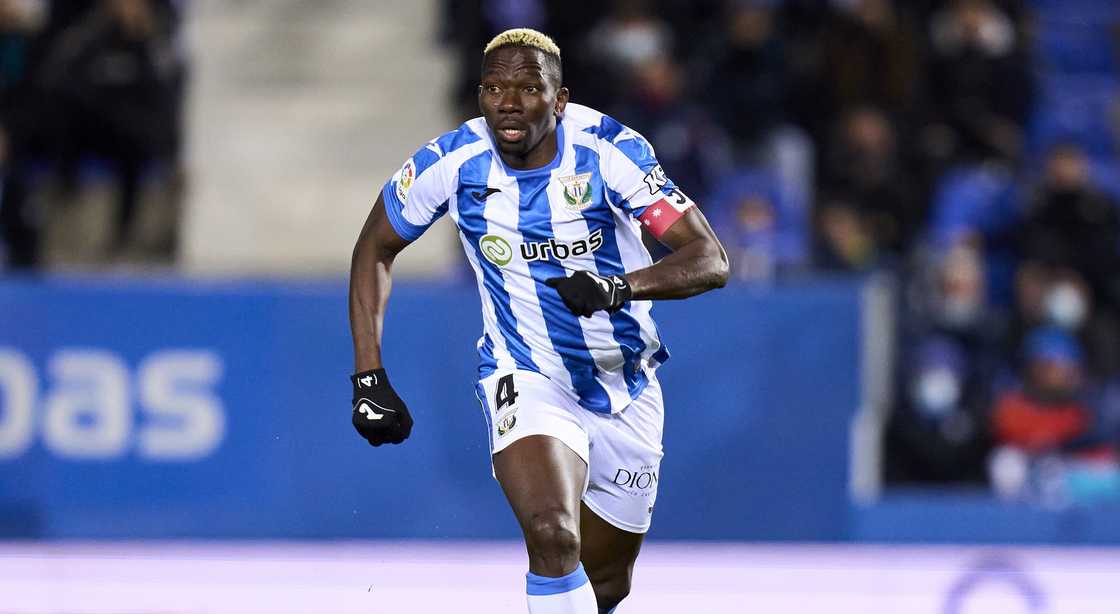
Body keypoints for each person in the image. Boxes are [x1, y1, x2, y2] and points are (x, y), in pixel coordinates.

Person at [347, 28, 728, 613]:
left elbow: (709, 259)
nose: (509, 102)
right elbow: (375, 247)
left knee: (605, 586)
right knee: (553, 536)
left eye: (528, 87)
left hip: (624, 381)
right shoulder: (451, 162)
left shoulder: (610, 152)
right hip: (525, 372)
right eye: (494, 87)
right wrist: (368, 375)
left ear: (561, 98)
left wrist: (615, 288)